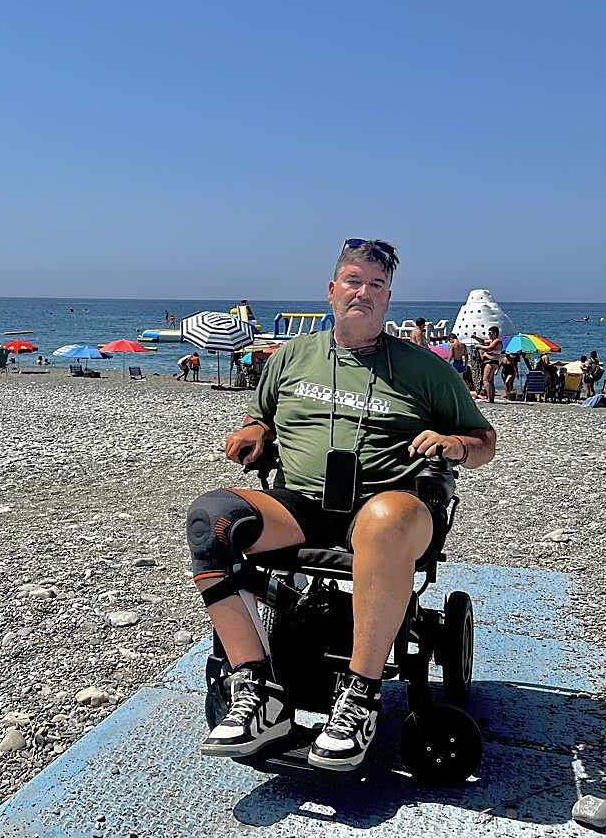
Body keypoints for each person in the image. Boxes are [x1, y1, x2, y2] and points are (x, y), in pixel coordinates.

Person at [189, 238, 496, 770]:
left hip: (390, 510)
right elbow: (260, 415)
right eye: (354, 281)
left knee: (383, 519)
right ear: (332, 291)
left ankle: (360, 695)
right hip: (300, 505)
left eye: (376, 285)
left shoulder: (426, 370)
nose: (364, 292)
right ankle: (257, 688)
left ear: (388, 298)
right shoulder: (290, 358)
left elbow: (483, 440)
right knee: (210, 520)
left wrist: (455, 446)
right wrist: (254, 429)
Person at [473, 327, 503, 403]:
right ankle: (491, 398)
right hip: (492, 362)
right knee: (490, 381)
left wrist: (479, 347)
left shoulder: (497, 341)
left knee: (486, 380)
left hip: (491, 362)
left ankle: (489, 398)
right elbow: (483, 342)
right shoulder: (492, 341)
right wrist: (475, 338)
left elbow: (489, 348)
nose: (488, 334)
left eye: (490, 333)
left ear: (495, 333)